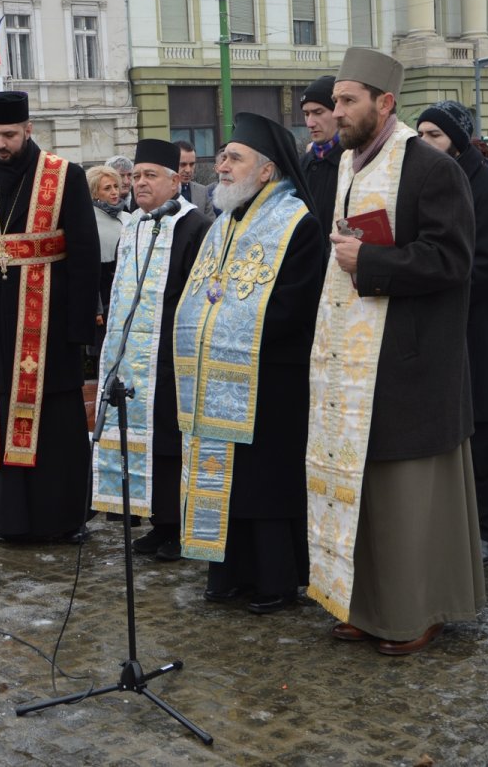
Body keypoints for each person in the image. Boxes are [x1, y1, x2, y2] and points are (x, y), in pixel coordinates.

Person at [307, 47, 484, 656]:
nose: (337, 111)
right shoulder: (347, 164)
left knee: (408, 496)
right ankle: (366, 606)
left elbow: (454, 261)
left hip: (409, 363)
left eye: (348, 100)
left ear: (385, 103)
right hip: (352, 362)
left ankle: (418, 611)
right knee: (364, 492)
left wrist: (374, 262)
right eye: (335, 101)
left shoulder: (432, 168)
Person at [173, 114, 325, 612]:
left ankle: (276, 581)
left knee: (265, 481)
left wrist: (227, 326)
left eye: (234, 157)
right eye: (222, 156)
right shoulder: (225, 222)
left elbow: (295, 304)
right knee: (227, 478)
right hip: (219, 372)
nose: (221, 166)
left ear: (266, 171)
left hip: (272, 376)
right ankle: (230, 574)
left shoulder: (297, 222)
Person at [0, 90, 100, 544]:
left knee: (55, 423)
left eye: (10, 135)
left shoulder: (63, 176)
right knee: (0, 416)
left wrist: (78, 331)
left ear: (28, 130)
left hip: (49, 326)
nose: (2, 144)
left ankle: (62, 519)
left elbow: (84, 253)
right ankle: (12, 520)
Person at [92, 139, 209, 561]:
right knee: (148, 441)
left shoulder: (194, 225)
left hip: (173, 354)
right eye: (136, 176)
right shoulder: (135, 223)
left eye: (150, 176)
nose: (139, 183)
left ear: (175, 181)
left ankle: (179, 527)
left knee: (172, 441)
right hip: (135, 356)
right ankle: (159, 523)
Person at [417, 101, 488, 566]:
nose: (424, 145)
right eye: (419, 136)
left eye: (434, 137)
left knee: (482, 428)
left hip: (475, 328)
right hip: (432, 327)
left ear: (457, 142)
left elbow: (486, 267)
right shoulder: (425, 184)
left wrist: (420, 284)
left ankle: (487, 529)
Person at [86, 164, 130, 363]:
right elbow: (86, 268)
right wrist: (95, 308)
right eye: (107, 188)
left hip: (128, 291)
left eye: (115, 186)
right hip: (103, 298)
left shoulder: (129, 217)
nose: (114, 192)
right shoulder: (88, 221)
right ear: (95, 192)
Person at [299, 74, 344, 237]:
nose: (310, 123)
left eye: (318, 112)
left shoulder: (354, 162)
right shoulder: (302, 164)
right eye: (306, 114)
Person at [175, 140, 217, 222]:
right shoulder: (161, 192)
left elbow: (210, 225)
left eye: (192, 164)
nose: (188, 170)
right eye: (183, 164)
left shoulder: (202, 191)